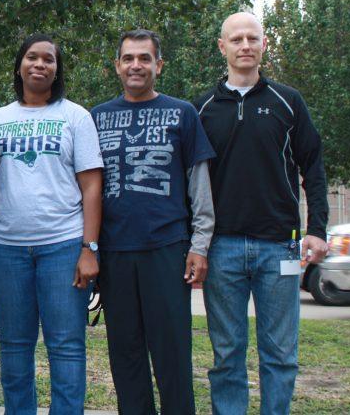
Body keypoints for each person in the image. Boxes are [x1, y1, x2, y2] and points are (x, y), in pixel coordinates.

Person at [194, 12, 329, 415]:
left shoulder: (289, 102)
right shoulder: (200, 109)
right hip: (222, 248)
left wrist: (317, 229)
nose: (245, 45)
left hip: (281, 246)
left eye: (253, 38)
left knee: (280, 354)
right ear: (222, 47)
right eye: (236, 39)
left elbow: (314, 167)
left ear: (264, 44)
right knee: (227, 355)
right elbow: (190, 184)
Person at [0, 34, 103, 414]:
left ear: (57, 70)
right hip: (3, 250)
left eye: (49, 59)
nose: (40, 64)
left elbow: (92, 187)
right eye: (32, 57)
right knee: (13, 347)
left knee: (66, 347)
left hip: (62, 246)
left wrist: (88, 248)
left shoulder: (76, 116)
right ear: (19, 66)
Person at [91, 29, 216, 415]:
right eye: (128, 58)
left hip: (167, 248)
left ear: (158, 65)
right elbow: (86, 188)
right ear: (117, 66)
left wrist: (200, 245)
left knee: (172, 353)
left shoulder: (183, 113)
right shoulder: (96, 117)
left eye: (144, 58)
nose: (136, 65)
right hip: (114, 252)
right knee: (125, 355)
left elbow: (199, 184)